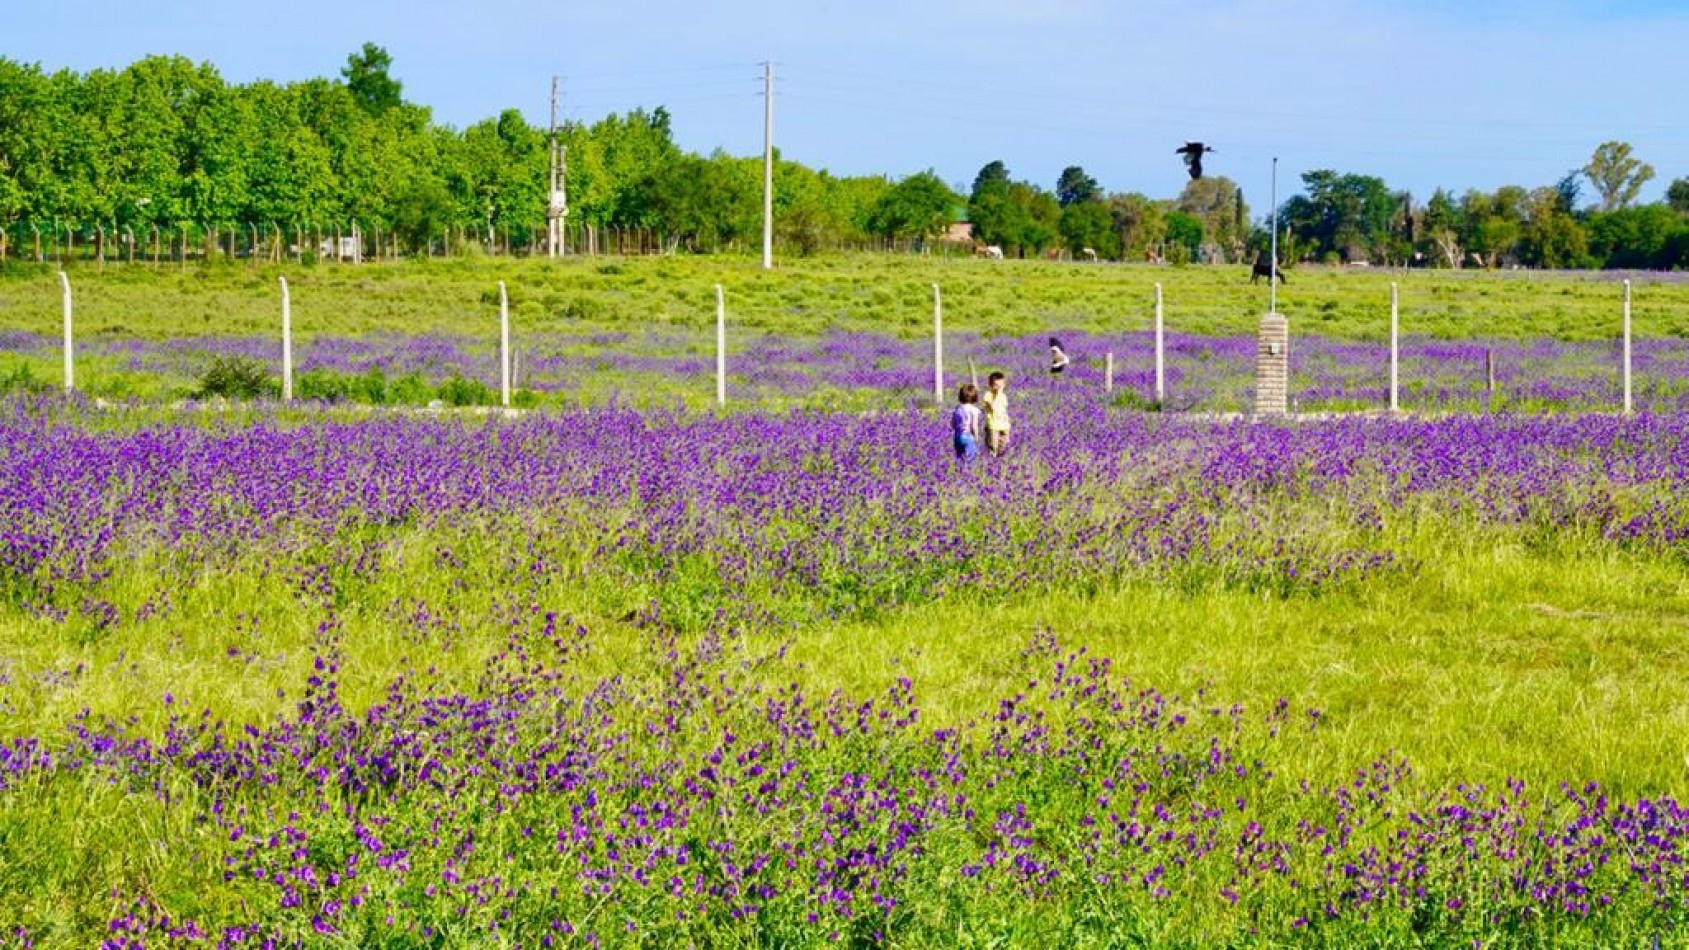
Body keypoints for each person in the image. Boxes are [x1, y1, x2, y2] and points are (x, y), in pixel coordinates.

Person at [950, 382, 982, 463]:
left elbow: (952, 424)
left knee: (959, 457)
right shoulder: (974, 410)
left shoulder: (958, 409)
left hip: (957, 437)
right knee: (970, 458)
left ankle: (959, 473)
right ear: (975, 397)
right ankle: (967, 473)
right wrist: (976, 437)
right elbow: (974, 426)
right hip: (968, 437)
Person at [981, 371, 1010, 457]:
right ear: (991, 385)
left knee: (1003, 447)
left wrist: (1008, 422)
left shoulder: (1003, 396)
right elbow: (993, 407)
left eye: (1001, 385)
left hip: (1004, 426)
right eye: (997, 385)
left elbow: (1004, 409)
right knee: (993, 447)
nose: (999, 388)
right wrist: (998, 394)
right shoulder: (988, 395)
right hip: (993, 426)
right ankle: (992, 460)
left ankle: (999, 460)